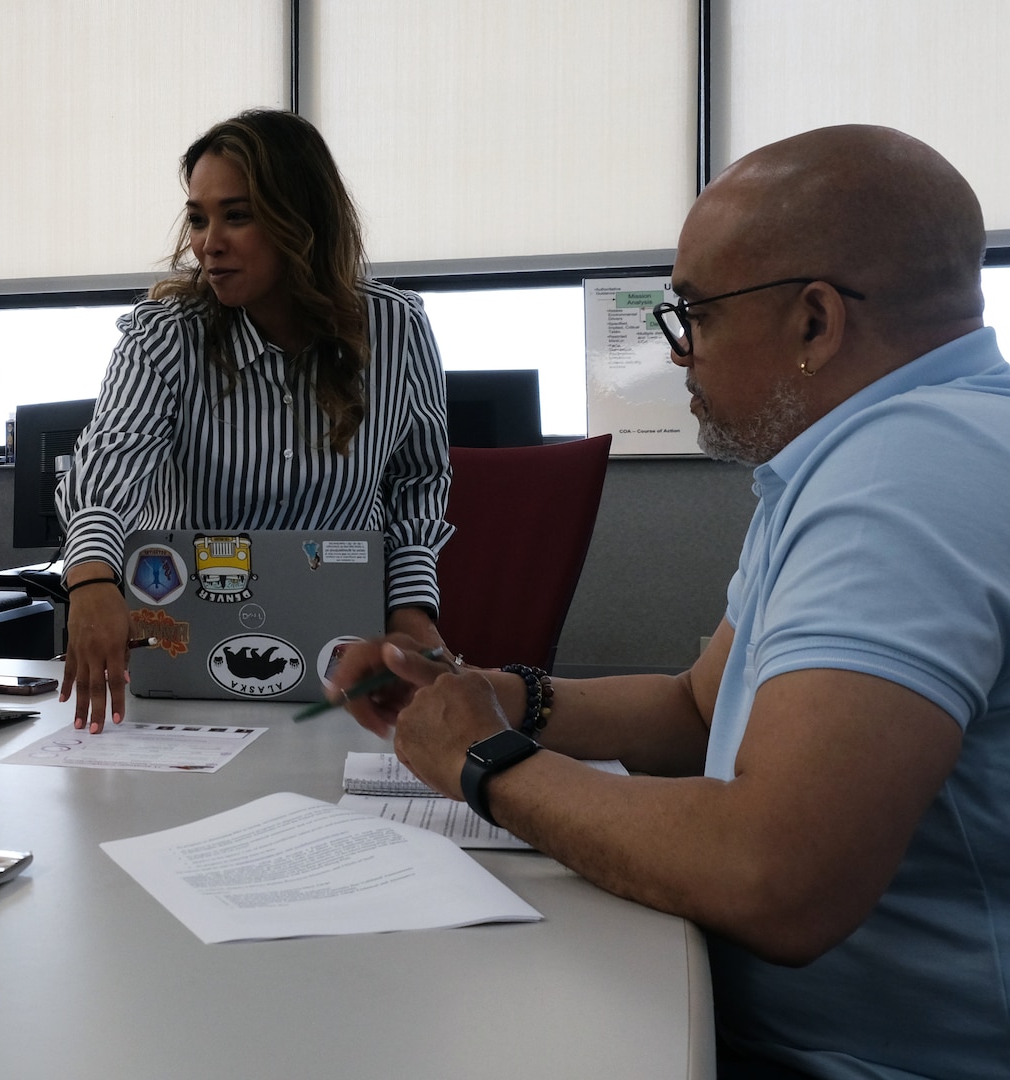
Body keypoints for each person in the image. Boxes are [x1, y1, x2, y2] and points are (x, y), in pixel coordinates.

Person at [337, 125, 1010, 1079]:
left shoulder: (903, 481)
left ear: (815, 322)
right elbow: (698, 709)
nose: (678, 354)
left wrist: (482, 762)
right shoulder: (867, 456)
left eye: (693, 313)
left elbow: (777, 879)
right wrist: (502, 695)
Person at [55, 109, 453, 733]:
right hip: (182, 665)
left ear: (303, 221)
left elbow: (416, 483)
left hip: (345, 674)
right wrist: (90, 579)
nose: (209, 242)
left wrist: (411, 608)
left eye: (236, 216)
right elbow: (109, 463)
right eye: (198, 218)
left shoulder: (395, 328)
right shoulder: (165, 335)